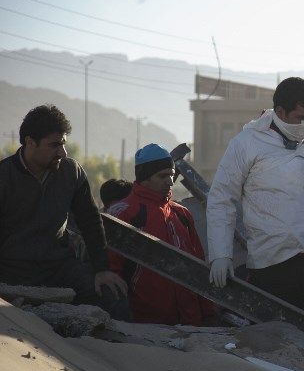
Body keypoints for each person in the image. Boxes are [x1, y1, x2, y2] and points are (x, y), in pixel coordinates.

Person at [206, 77, 304, 317]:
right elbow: (222, 199)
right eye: (300, 117)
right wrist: (220, 254)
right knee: (279, 336)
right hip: (273, 263)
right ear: (280, 112)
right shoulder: (247, 143)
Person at [0, 105, 128, 315]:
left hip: (58, 267)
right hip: (13, 270)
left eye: (64, 144)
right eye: (54, 145)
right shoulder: (4, 177)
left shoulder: (71, 171)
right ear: (30, 143)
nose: (63, 152)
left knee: (111, 294)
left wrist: (102, 269)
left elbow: (90, 221)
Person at [107, 144, 216, 326]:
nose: (170, 182)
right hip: (145, 325)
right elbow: (112, 271)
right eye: (162, 176)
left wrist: (208, 313)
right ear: (144, 178)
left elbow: (198, 267)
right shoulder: (124, 213)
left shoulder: (182, 214)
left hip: (191, 325)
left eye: (171, 175)